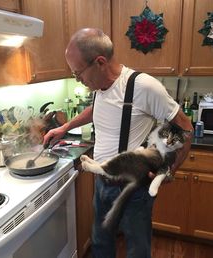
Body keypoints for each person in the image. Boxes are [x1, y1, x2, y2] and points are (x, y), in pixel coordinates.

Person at [43, 28, 193, 258]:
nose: (78, 80)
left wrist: (168, 171)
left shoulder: (144, 86)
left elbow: (185, 127)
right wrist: (64, 127)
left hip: (133, 189)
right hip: (102, 184)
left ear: (100, 62)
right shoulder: (99, 87)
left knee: (136, 250)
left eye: (78, 73)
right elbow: (98, 108)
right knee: (101, 244)